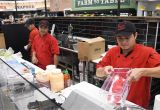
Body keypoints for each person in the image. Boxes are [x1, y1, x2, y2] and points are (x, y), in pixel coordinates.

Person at [96, 21, 160, 109]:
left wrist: (143, 71)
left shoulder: (147, 52)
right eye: (120, 38)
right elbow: (98, 72)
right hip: (114, 101)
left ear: (135, 35)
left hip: (136, 104)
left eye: (127, 38)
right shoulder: (112, 51)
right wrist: (104, 70)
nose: (124, 42)